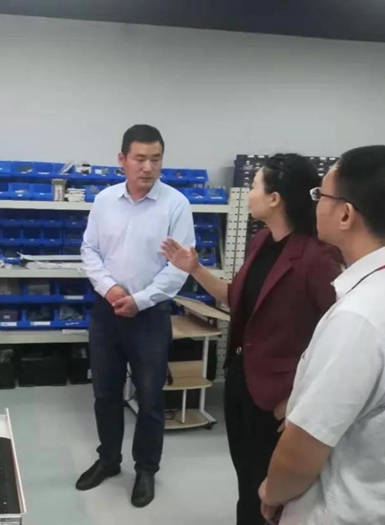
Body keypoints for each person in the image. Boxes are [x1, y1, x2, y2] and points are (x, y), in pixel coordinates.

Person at [161, 153, 342, 525]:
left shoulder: (316, 258)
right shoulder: (261, 242)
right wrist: (195, 269)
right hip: (242, 382)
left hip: (278, 398)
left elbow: (338, 336)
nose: (249, 192)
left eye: (255, 185)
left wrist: (298, 399)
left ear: (275, 198)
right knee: (247, 481)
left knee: (271, 491)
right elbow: (237, 299)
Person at [259, 146, 385, 525]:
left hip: (342, 510)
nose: (316, 204)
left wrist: (272, 491)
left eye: (321, 195)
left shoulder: (360, 317)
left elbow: (303, 450)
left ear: (345, 214)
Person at [77, 124, 195, 508]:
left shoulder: (176, 205)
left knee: (150, 397)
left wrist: (140, 300)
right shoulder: (104, 201)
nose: (148, 167)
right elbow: (90, 250)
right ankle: (109, 460)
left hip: (150, 316)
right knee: (105, 393)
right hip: (107, 311)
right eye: (140, 159)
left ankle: (146, 469)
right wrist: (111, 289)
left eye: (155, 159)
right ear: (122, 160)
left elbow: (179, 268)